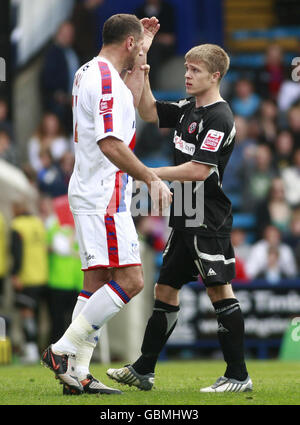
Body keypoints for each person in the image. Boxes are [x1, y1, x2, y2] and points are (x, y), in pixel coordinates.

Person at [107, 43, 253, 392]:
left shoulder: (220, 116)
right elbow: (149, 112)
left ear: (215, 76)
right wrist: (142, 69)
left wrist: (149, 173)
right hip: (185, 211)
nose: (187, 75)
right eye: (186, 68)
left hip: (207, 214)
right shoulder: (190, 108)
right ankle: (144, 369)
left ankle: (238, 376)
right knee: (165, 288)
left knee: (219, 290)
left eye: (195, 70)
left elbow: (200, 171)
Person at [41, 14, 172, 396]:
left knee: (95, 282)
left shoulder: (87, 71)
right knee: (131, 280)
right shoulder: (106, 80)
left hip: (87, 188)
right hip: (105, 191)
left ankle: (77, 373)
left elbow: (127, 101)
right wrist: (150, 176)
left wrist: (142, 48)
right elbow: (111, 143)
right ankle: (64, 350)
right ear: (127, 44)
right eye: (138, 47)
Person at [10, 201, 48, 363]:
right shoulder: (38, 223)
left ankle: (31, 349)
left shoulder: (17, 225)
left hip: (27, 276)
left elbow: (17, 251)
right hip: (42, 276)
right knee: (37, 313)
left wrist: (15, 274)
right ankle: (36, 347)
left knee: (27, 313)